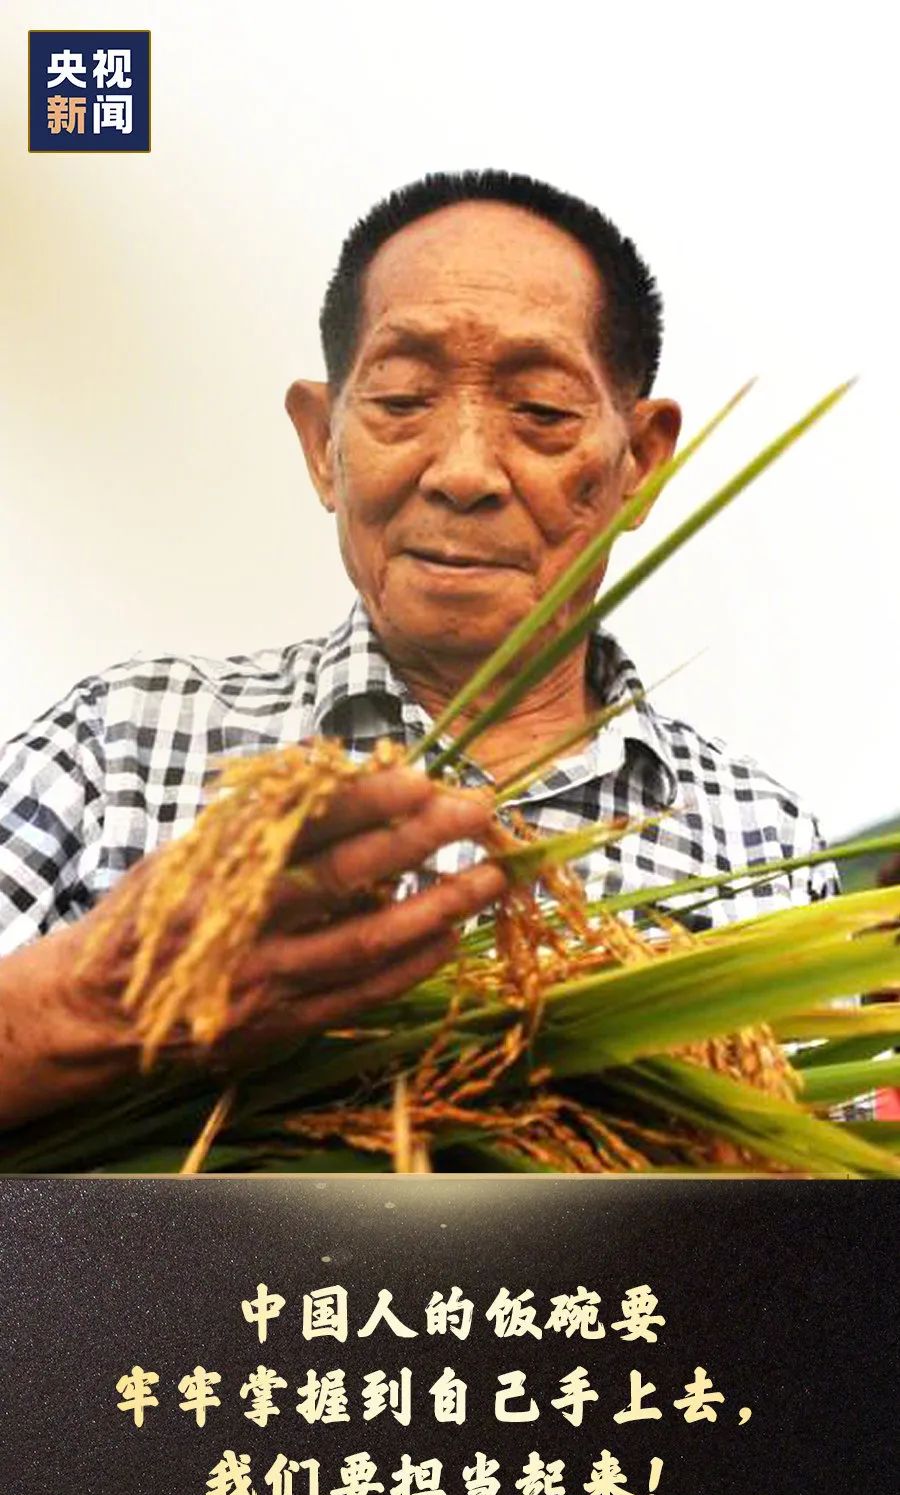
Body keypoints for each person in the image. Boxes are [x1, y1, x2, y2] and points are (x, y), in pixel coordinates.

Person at [0, 169, 838, 1133]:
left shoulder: (764, 845)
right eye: (402, 399)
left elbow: (823, 1248)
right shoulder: (118, 751)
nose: (466, 471)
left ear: (640, 464)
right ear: (323, 443)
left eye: (542, 412)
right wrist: (97, 1007)